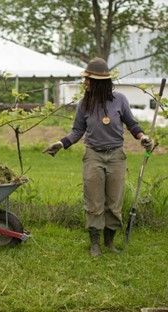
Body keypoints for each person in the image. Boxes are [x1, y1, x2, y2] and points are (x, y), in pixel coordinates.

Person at [44, 57, 153, 256]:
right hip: (93, 155)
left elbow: (132, 124)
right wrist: (61, 143)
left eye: (89, 79)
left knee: (114, 202)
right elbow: (77, 131)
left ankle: (109, 243)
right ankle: (95, 244)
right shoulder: (84, 104)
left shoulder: (120, 100)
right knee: (94, 201)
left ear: (100, 82)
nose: (85, 82)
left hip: (116, 156)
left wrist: (143, 137)